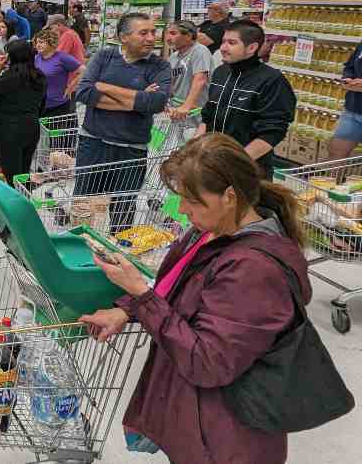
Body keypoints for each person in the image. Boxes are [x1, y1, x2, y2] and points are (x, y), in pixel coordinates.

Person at [80, 134, 311, 464]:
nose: (182, 209)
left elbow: (208, 362)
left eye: (191, 199)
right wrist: (127, 311)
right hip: (198, 420)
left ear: (229, 196)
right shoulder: (213, 231)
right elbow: (178, 287)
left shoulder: (254, 271)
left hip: (228, 439)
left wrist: (140, 294)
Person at [73, 14, 171, 233]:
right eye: (143, 32)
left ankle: (118, 251)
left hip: (131, 149)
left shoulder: (160, 66)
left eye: (153, 32)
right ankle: (79, 245)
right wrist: (136, 100)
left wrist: (105, 87)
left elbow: (155, 102)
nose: (151, 38)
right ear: (123, 37)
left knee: (123, 206)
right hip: (93, 142)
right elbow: (84, 93)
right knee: (83, 201)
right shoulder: (104, 57)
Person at [198, 21, 296, 177]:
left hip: (249, 169)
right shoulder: (220, 73)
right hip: (213, 164)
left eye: (231, 43)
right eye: (223, 41)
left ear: (251, 48)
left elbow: (272, 132)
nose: (223, 48)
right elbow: (208, 116)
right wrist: (195, 149)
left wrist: (236, 163)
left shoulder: (271, 80)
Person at [0, 40, 46, 184]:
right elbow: (43, 104)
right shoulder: (39, 76)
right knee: (23, 174)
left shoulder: (9, 77)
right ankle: (25, 201)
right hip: (31, 127)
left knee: (11, 176)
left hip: (8, 129)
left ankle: (15, 205)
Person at [164, 21, 212, 123]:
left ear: (188, 36)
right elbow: (169, 84)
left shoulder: (200, 51)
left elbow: (200, 79)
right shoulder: (173, 57)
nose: (168, 38)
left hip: (195, 112)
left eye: (173, 33)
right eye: (167, 33)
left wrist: (187, 106)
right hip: (176, 111)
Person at [34, 28, 83, 119]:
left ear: (51, 43)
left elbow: (84, 71)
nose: (37, 45)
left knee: (56, 133)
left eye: (41, 42)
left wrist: (72, 86)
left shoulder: (62, 58)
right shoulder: (36, 58)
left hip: (58, 106)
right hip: (40, 105)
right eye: (37, 42)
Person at [329, 40, 362, 160]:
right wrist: (347, 78)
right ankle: (330, 179)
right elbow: (350, 65)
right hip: (353, 109)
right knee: (336, 152)